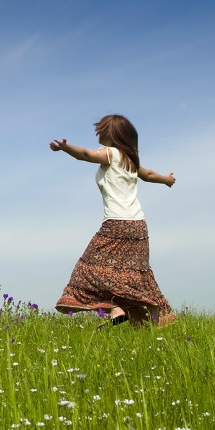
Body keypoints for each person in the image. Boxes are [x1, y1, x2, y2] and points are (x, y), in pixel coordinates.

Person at [48, 114, 176, 328]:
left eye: (102, 130)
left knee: (87, 270)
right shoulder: (129, 159)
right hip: (138, 225)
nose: (98, 133)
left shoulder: (110, 153)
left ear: (110, 134)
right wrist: (166, 179)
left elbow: (85, 155)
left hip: (116, 223)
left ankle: (114, 309)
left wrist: (65, 147)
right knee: (130, 276)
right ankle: (141, 331)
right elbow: (149, 175)